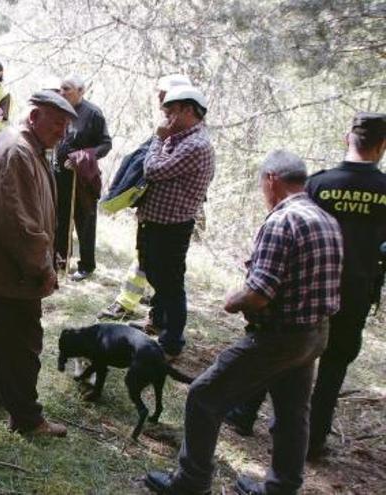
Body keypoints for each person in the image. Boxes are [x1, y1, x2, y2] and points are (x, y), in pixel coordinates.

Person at [145, 150, 342, 495]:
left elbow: (259, 294)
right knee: (293, 413)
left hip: (281, 337)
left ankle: (191, 482)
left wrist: (231, 299)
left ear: (272, 180)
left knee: (205, 395)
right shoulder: (325, 219)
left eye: (262, 185)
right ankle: (282, 488)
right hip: (315, 333)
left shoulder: (283, 221)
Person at [225, 112, 386, 460]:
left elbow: (288, 225)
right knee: (334, 366)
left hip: (306, 286)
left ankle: (243, 413)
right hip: (356, 292)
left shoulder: (319, 184)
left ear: (348, 138)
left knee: (276, 348)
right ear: (382, 146)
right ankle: (312, 440)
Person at [0, 91, 77, 437]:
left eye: (66, 125)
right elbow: (19, 223)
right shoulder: (16, 151)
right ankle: (27, 419)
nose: (63, 132)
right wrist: (41, 268)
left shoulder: (26, 148)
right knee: (22, 343)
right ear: (34, 118)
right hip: (8, 271)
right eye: (57, 123)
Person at [98, 74, 192, 319]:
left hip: (169, 219)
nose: (161, 104)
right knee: (149, 263)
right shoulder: (172, 125)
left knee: (157, 268)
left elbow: (153, 168)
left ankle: (130, 305)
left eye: (164, 98)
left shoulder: (182, 135)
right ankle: (152, 311)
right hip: (154, 214)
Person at [137, 85, 214, 359]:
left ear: (189, 110)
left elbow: (153, 169)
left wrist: (157, 140)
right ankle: (158, 323)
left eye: (170, 111)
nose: (165, 117)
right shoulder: (178, 137)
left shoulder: (196, 144)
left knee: (169, 282)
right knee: (156, 275)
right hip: (156, 222)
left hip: (172, 226)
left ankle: (172, 343)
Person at [53, 75, 112, 281]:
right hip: (60, 174)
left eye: (67, 89)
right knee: (59, 218)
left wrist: (81, 159)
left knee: (85, 219)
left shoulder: (93, 113)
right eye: (60, 89)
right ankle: (60, 260)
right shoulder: (58, 109)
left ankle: (86, 266)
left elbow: (105, 144)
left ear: (81, 90)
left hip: (82, 177)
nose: (62, 93)